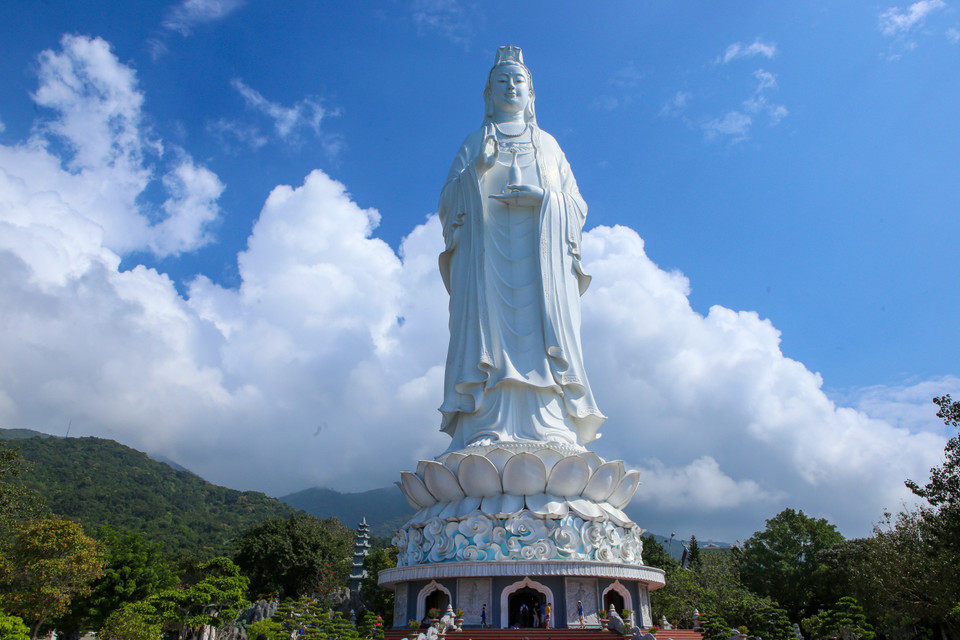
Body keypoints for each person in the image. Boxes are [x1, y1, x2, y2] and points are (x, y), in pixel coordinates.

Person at [438, 45, 606, 453]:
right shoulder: (474, 142)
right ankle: (484, 425)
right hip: (487, 262)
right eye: (502, 81)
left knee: (543, 339)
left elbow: (578, 205)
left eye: (519, 81)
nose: (511, 87)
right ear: (488, 94)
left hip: (540, 265)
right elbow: (447, 204)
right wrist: (476, 169)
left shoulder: (548, 145)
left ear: (531, 94)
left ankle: (551, 425)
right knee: (490, 340)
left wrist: (543, 199)